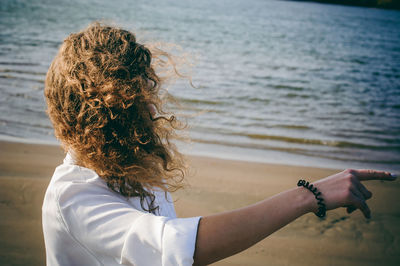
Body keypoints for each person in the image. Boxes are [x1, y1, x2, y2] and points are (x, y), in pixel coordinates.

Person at [42, 22, 397, 266]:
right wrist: (310, 195)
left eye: (147, 91)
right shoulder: (72, 197)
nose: (152, 107)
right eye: (134, 102)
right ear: (101, 120)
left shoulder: (126, 165)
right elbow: (180, 246)